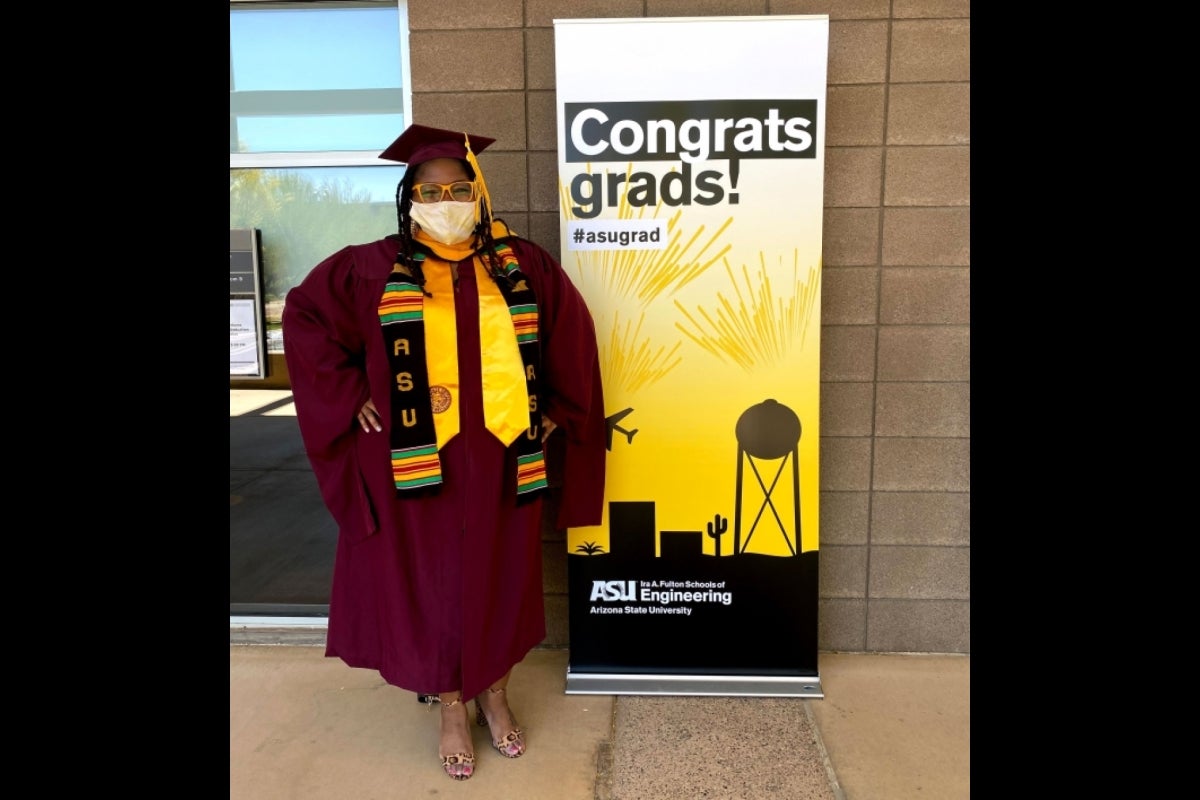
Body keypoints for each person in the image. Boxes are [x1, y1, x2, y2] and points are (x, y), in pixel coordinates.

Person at [282, 124, 607, 781]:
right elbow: (304, 317)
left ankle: (495, 691)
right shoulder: (372, 267)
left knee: (502, 576)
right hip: (416, 461)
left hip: (503, 460)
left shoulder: (521, 264)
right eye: (430, 191)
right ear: (409, 201)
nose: (445, 200)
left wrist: (558, 411)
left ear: (480, 194)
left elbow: (570, 338)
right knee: (431, 585)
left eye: (459, 187)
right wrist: (349, 396)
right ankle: (452, 706)